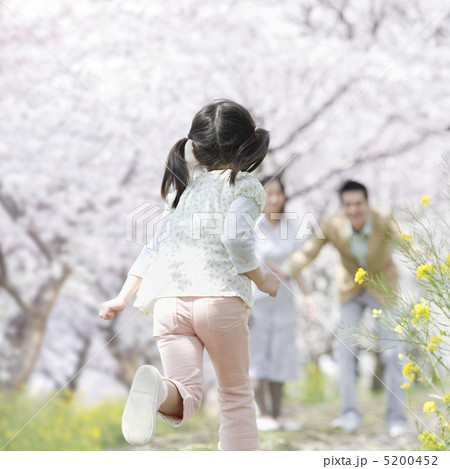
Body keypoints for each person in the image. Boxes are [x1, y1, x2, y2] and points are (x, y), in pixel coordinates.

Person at [98, 99, 280, 451]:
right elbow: (234, 237)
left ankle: (159, 391)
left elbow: (153, 247)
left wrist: (122, 297)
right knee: (236, 394)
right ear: (246, 144)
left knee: (186, 394)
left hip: (168, 302)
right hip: (219, 300)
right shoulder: (244, 186)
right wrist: (262, 278)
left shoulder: (180, 190)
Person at [280, 180, 407, 437]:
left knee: (393, 353)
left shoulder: (383, 218)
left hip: (383, 287)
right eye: (348, 205)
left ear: (367, 203)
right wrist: (284, 270)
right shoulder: (332, 223)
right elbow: (307, 252)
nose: (354, 210)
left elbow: (408, 240)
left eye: (358, 204)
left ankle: (397, 418)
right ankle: (348, 414)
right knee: (344, 350)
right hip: (350, 289)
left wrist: (428, 257)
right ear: (342, 206)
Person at [249, 175, 318, 431]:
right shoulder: (251, 228)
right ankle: (263, 414)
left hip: (285, 302)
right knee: (258, 358)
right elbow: (243, 267)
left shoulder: (291, 228)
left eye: (278, 193)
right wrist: (244, 305)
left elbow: (297, 267)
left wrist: (308, 295)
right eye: (268, 194)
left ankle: (278, 415)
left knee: (281, 355)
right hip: (257, 302)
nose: (274, 199)